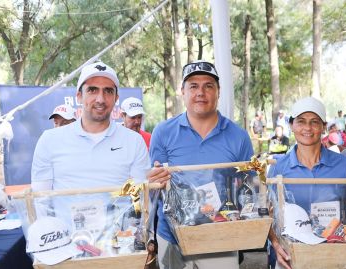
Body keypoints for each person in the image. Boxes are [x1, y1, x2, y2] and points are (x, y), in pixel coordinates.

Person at [149, 60, 254, 269]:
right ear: (183, 92)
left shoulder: (239, 137)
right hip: (172, 237)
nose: (201, 92)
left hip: (221, 237)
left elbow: (248, 189)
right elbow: (154, 188)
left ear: (218, 92)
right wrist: (153, 181)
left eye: (208, 86)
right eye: (193, 86)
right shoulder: (163, 132)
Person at [31, 61, 157, 191]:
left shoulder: (134, 142)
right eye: (92, 90)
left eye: (108, 91)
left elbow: (139, 200)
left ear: (116, 98)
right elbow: (41, 200)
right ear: (79, 96)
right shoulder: (49, 140)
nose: (100, 99)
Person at [267, 97, 346, 269]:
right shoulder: (279, 168)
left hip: (334, 251)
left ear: (323, 126)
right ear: (292, 125)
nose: (307, 128)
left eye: (314, 122)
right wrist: (276, 245)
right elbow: (270, 214)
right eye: (301, 122)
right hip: (292, 254)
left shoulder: (343, 165)